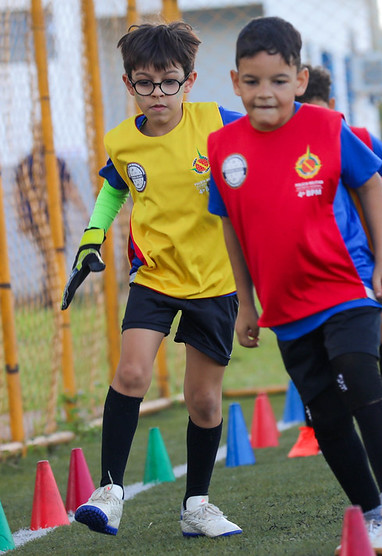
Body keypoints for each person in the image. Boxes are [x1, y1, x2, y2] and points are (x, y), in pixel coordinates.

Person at [207, 17, 382, 553]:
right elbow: (231, 227)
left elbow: (370, 184)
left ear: (299, 80)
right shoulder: (222, 148)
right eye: (252, 82)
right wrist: (246, 304)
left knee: (358, 376)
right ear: (235, 82)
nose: (265, 93)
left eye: (278, 80)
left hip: (344, 287)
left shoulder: (326, 128)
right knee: (323, 413)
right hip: (284, 305)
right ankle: (372, 513)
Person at [64, 22, 242, 538]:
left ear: (189, 82)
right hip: (155, 277)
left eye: (169, 82)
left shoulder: (217, 124)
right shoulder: (122, 141)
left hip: (215, 281)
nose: (157, 93)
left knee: (204, 401)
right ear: (128, 84)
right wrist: (91, 238)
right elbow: (113, 189)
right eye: (145, 83)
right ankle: (109, 491)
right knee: (133, 374)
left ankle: (197, 506)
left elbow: (265, 138)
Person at [288, 65, 382, 456]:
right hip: (329, 253)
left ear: (333, 107)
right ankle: (314, 425)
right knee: (316, 337)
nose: (312, 120)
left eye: (319, 109)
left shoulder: (358, 137)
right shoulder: (286, 151)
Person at [15, 148, 87, 302]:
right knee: (50, 257)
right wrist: (21, 217)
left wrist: (83, 212)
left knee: (53, 258)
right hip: (37, 220)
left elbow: (69, 188)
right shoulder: (26, 164)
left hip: (56, 218)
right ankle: (52, 294)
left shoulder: (56, 162)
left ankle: (53, 293)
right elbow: (18, 194)